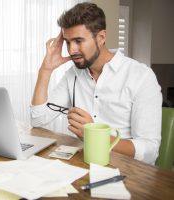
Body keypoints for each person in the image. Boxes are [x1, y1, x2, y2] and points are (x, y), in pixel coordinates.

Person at [30, 2, 162, 164]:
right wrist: (45, 70)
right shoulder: (73, 74)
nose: (71, 50)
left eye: (78, 41)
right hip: (83, 163)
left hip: (127, 169)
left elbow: (149, 151)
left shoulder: (141, 77)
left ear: (101, 38)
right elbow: (38, 120)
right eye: (68, 42)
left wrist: (94, 135)